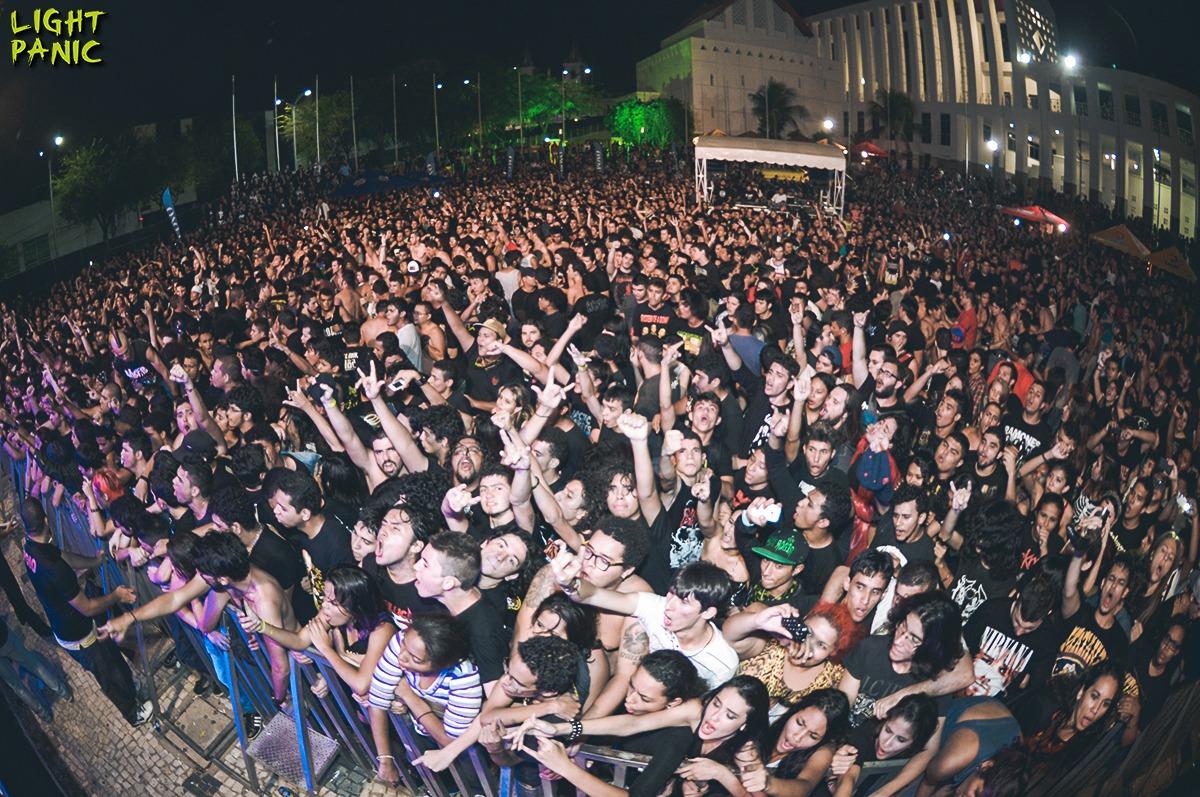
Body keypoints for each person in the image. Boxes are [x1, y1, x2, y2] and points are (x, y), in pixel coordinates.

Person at [20, 498, 151, 725]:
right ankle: (132, 712)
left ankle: (129, 686)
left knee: (113, 659)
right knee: (107, 671)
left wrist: (94, 562)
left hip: (67, 624)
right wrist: (117, 596)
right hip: (78, 633)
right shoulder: (55, 570)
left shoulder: (31, 545)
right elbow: (87, 607)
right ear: (45, 519)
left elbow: (61, 555)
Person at [366, 613, 482, 786]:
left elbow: (451, 742)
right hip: (420, 732)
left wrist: (410, 698)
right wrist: (385, 760)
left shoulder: (463, 677)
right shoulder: (403, 642)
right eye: (404, 645)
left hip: (465, 753)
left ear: (442, 665)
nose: (402, 657)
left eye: (416, 659)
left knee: (470, 784)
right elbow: (377, 700)